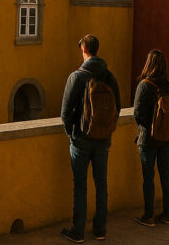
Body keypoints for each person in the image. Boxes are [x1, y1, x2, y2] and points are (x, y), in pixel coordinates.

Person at [60, 34, 121, 243]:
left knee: (80, 186)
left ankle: (78, 230)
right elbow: (117, 107)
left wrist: (72, 133)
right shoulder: (109, 76)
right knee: (101, 184)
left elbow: (65, 113)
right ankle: (100, 229)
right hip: (103, 139)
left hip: (81, 139)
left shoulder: (77, 77)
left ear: (84, 49)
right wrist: (107, 130)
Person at [132, 49, 169, 227]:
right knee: (166, 175)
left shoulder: (145, 85)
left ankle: (148, 215)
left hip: (148, 139)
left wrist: (149, 128)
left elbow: (137, 113)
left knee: (148, 177)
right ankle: (166, 214)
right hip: (167, 137)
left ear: (148, 64)